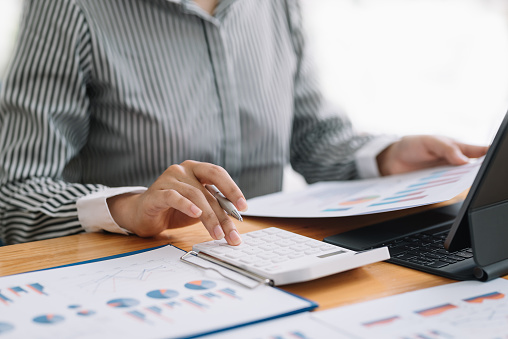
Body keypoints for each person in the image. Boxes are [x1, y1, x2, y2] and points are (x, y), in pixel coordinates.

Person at [0, 0, 487, 246]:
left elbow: (313, 138)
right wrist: (128, 208)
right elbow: (13, 190)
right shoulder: (71, 9)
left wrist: (386, 155)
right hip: (145, 278)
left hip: (272, 263)